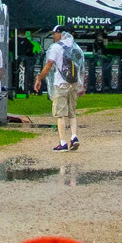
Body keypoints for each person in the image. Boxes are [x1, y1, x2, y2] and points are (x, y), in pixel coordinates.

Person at [37, 21, 83, 150]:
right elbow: (81, 67)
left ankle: (63, 143)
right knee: (72, 113)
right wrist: (81, 84)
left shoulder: (56, 48)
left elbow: (49, 65)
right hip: (73, 83)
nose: (53, 36)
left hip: (60, 83)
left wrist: (40, 78)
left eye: (55, 33)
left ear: (60, 34)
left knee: (60, 114)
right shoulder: (75, 47)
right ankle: (74, 136)